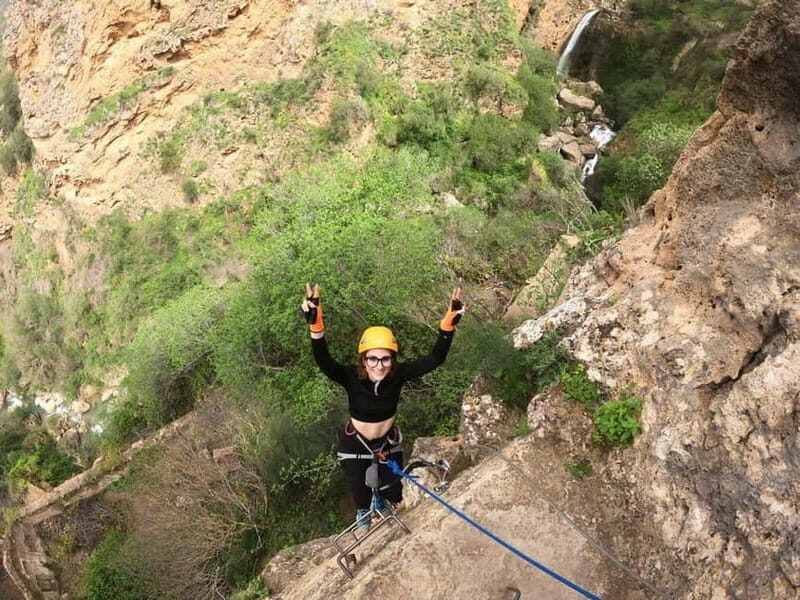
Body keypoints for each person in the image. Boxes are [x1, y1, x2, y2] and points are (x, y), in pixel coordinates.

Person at [301, 283, 465, 529]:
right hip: (355, 443)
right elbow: (324, 362)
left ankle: (384, 508)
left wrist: (447, 327)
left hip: (387, 443)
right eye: (372, 358)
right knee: (362, 500)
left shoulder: (398, 375)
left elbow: (435, 359)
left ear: (393, 359)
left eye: (385, 358)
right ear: (363, 359)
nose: (379, 365)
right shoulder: (350, 377)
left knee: (394, 492)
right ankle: (366, 514)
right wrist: (316, 327)